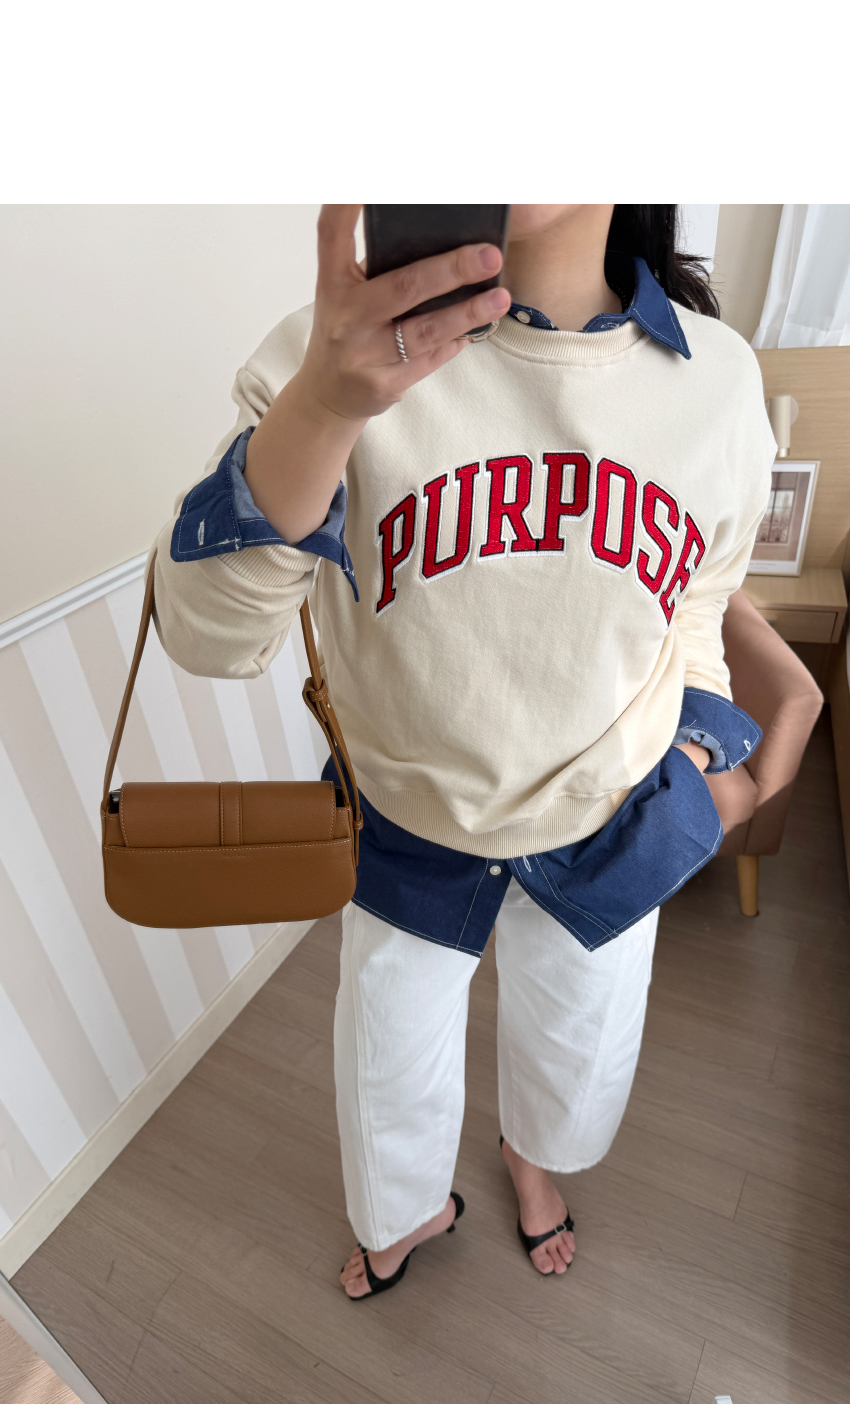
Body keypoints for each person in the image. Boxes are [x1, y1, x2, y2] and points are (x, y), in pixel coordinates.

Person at [151, 205, 775, 1298]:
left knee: (578, 1055)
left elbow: (696, 602)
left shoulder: (715, 379)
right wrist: (323, 408)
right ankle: (408, 1210)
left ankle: (532, 1160)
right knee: (384, 1071)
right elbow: (208, 638)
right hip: (409, 825)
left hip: (611, 819)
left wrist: (699, 747)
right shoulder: (334, 352)